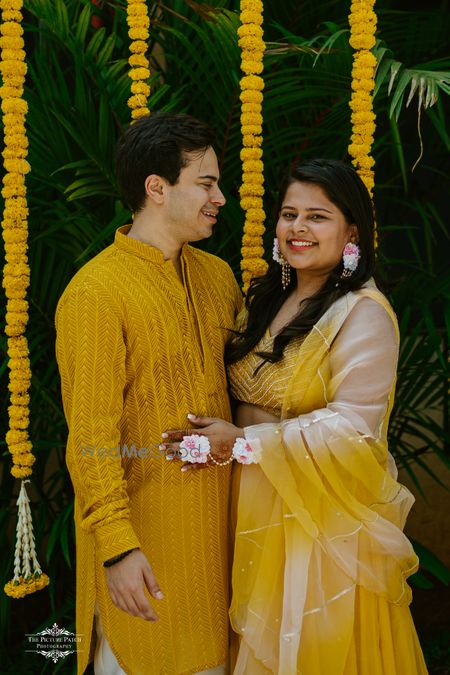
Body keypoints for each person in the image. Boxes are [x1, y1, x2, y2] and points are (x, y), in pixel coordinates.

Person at [164, 159, 429, 674]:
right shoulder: (268, 298)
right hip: (248, 511)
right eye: (289, 215)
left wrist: (243, 443)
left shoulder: (362, 312)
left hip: (316, 526)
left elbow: (353, 429)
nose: (298, 229)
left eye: (317, 216)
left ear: (351, 231)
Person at [55, 112, 242, 675]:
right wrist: (117, 546)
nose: (221, 198)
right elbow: (90, 437)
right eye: (206, 184)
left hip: (223, 548)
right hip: (146, 557)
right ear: (156, 188)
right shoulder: (96, 292)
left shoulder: (217, 278)